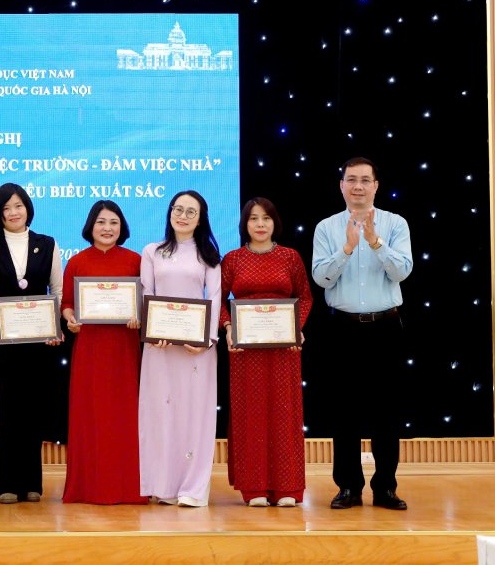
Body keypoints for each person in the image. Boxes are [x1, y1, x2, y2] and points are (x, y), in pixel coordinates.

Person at [312, 157, 413, 511]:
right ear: (341, 185)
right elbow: (321, 278)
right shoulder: (326, 227)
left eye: (364, 180)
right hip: (342, 328)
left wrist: (374, 242)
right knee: (344, 412)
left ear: (375, 186)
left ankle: (385, 487)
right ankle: (349, 487)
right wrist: (347, 248)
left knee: (387, 411)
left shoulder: (395, 224)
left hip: (385, 326)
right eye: (351, 179)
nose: (357, 186)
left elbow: (402, 272)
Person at [220, 197, 313, 507]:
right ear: (244, 224)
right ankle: (254, 487)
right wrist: (228, 327)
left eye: (266, 218)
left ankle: (288, 488)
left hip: (283, 349)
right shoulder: (232, 259)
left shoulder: (290, 257)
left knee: (285, 413)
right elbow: (218, 301)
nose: (260, 224)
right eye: (253, 219)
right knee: (251, 414)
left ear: (275, 223)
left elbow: (306, 298)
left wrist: (296, 326)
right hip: (246, 353)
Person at [0, 183, 64, 504]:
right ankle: (7, 484)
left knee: (32, 410)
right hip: (1, 342)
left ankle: (33, 484)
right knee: (7, 411)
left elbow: (56, 291)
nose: (13, 213)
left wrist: (55, 325)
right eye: (6, 208)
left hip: (37, 343)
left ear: (28, 208)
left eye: (18, 206)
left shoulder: (47, 243)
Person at [138, 191, 221, 507]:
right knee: (160, 413)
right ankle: (162, 485)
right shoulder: (152, 251)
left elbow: (214, 298)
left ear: (201, 219)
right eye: (178, 209)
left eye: (191, 211)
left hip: (196, 350)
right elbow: (148, 293)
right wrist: (152, 330)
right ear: (169, 212)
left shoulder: (209, 256)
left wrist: (206, 341)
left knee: (193, 415)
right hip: (159, 348)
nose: (183, 216)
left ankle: (192, 488)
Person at [61, 200, 146, 505]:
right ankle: (88, 488)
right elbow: (66, 303)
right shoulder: (77, 262)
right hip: (90, 349)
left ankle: (127, 487)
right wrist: (70, 318)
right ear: (90, 226)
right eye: (101, 222)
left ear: (121, 227)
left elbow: (146, 303)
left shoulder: (136, 261)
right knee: (91, 415)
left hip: (124, 349)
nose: (107, 228)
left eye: (113, 222)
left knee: (124, 415)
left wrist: (140, 314)